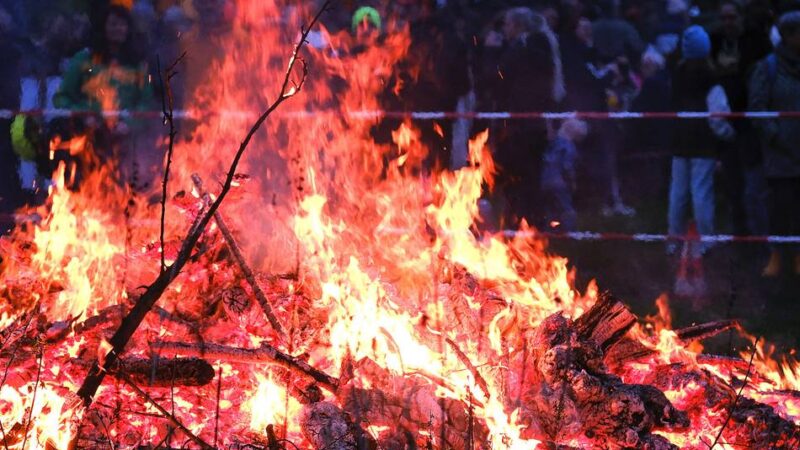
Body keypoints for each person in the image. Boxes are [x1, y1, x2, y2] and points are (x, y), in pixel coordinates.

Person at [53, 5, 155, 189]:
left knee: (125, 189)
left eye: (122, 25)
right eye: (113, 24)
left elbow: (147, 104)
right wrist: (85, 116)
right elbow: (61, 98)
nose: (118, 29)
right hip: (87, 139)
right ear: (103, 28)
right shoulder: (84, 59)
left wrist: (129, 123)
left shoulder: (138, 64)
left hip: (127, 142)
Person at [669, 25, 736, 295]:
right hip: (703, 143)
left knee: (678, 193)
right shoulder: (711, 77)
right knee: (701, 192)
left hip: (680, 140)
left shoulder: (678, 73)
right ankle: (706, 241)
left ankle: (673, 241)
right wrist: (729, 135)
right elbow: (718, 115)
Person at [479, 7, 556, 227]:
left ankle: (517, 229)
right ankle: (530, 230)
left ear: (518, 26)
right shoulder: (542, 47)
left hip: (518, 127)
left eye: (507, 25)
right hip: (534, 125)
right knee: (530, 182)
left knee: (514, 182)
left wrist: (492, 51)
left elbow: (495, 78)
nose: (505, 30)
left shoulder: (521, 47)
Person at [711, 1, 773, 237]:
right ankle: (739, 233)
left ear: (741, 17)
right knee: (732, 181)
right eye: (724, 18)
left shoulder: (757, 41)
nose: (728, 22)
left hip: (751, 121)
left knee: (754, 183)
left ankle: (760, 234)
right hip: (725, 122)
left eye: (732, 17)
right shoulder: (714, 42)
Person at [749, 11, 800, 277]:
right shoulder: (768, 67)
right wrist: (775, 136)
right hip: (780, 156)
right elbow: (757, 107)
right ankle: (779, 257)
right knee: (780, 211)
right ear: (790, 35)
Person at [541, 119, 588, 232]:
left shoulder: (554, 142)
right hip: (559, 182)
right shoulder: (569, 147)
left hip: (545, 181)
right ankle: (571, 235)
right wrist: (572, 182)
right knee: (567, 210)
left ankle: (549, 234)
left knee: (550, 210)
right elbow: (567, 167)